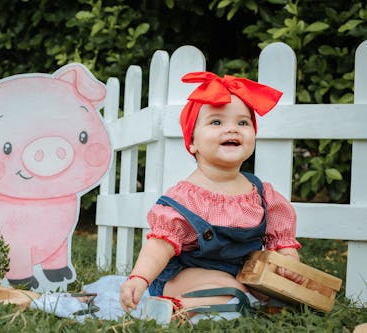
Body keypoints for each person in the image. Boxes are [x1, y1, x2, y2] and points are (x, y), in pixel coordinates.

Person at [119, 71, 303, 317]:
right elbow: (159, 246)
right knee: (230, 288)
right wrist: (139, 278)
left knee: (263, 293)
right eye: (216, 122)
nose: (232, 129)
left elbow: (282, 242)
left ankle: (230, 304)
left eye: (242, 123)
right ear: (192, 142)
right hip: (185, 276)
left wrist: (289, 263)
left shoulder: (262, 194)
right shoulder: (187, 198)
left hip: (243, 276)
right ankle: (174, 309)